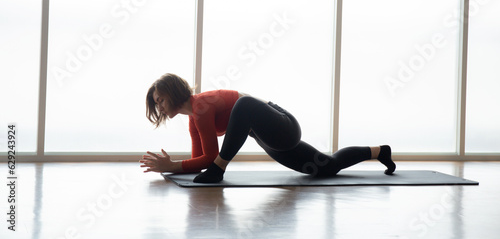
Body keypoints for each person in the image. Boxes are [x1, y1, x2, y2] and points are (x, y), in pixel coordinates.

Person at [140, 73, 396, 183]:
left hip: (284, 125)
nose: (160, 107)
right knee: (326, 167)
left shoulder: (202, 106)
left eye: (160, 100)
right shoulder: (194, 120)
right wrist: (173, 165)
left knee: (244, 104)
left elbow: (209, 162)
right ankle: (379, 152)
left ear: (174, 93)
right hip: (269, 137)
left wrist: (174, 166)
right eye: (156, 103)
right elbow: (202, 160)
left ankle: (222, 168)